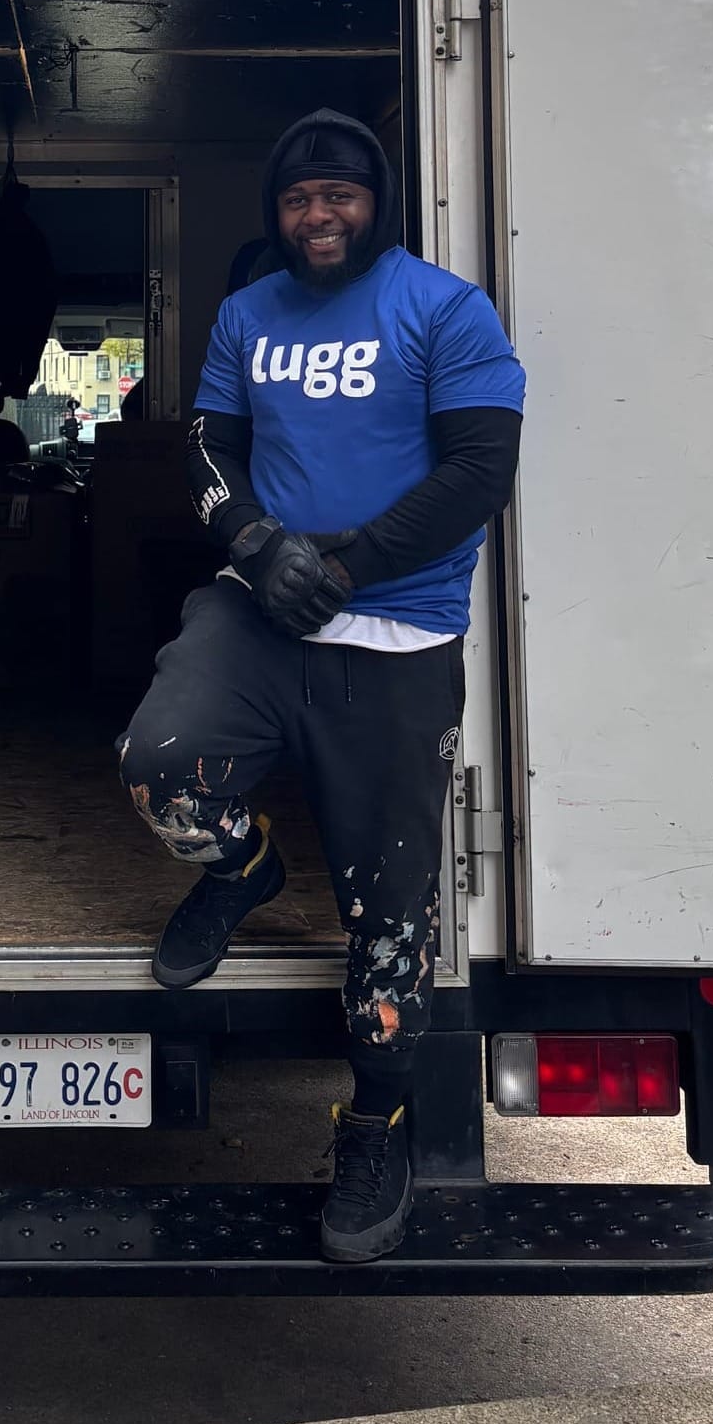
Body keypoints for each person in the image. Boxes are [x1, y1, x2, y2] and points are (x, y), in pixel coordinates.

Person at [117, 108, 524, 1264]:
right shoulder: (249, 314)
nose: (317, 214)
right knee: (160, 775)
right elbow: (204, 444)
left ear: (374, 200)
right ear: (276, 214)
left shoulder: (444, 309)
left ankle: (374, 1125)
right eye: (298, 198)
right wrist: (253, 544)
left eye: (338, 193)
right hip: (259, 617)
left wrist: (343, 565)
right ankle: (241, 871)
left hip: (395, 637)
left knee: (387, 926)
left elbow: (477, 469)